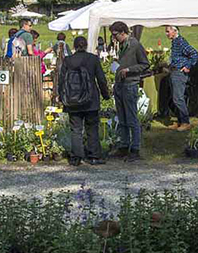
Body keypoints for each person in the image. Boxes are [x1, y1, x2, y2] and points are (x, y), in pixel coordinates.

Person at [58, 36, 110, 166]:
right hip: (91, 99)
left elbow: (61, 81)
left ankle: (76, 157)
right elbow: (101, 79)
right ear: (86, 46)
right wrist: (106, 95)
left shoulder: (68, 60)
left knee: (76, 129)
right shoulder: (93, 59)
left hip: (72, 100)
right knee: (92, 128)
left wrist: (61, 97)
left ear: (74, 46)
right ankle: (94, 156)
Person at [109, 22, 150, 161]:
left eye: (115, 35)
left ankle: (135, 149)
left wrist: (129, 69)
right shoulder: (121, 45)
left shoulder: (135, 44)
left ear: (122, 32)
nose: (113, 38)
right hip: (120, 84)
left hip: (130, 84)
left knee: (132, 118)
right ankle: (123, 146)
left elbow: (145, 64)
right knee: (121, 118)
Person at [165, 25, 198, 131]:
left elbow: (193, 53)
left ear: (175, 31)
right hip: (174, 71)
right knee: (174, 98)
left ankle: (185, 122)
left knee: (178, 98)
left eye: (167, 31)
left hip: (179, 73)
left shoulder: (180, 42)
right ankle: (180, 121)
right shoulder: (175, 42)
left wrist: (188, 66)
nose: (166, 34)